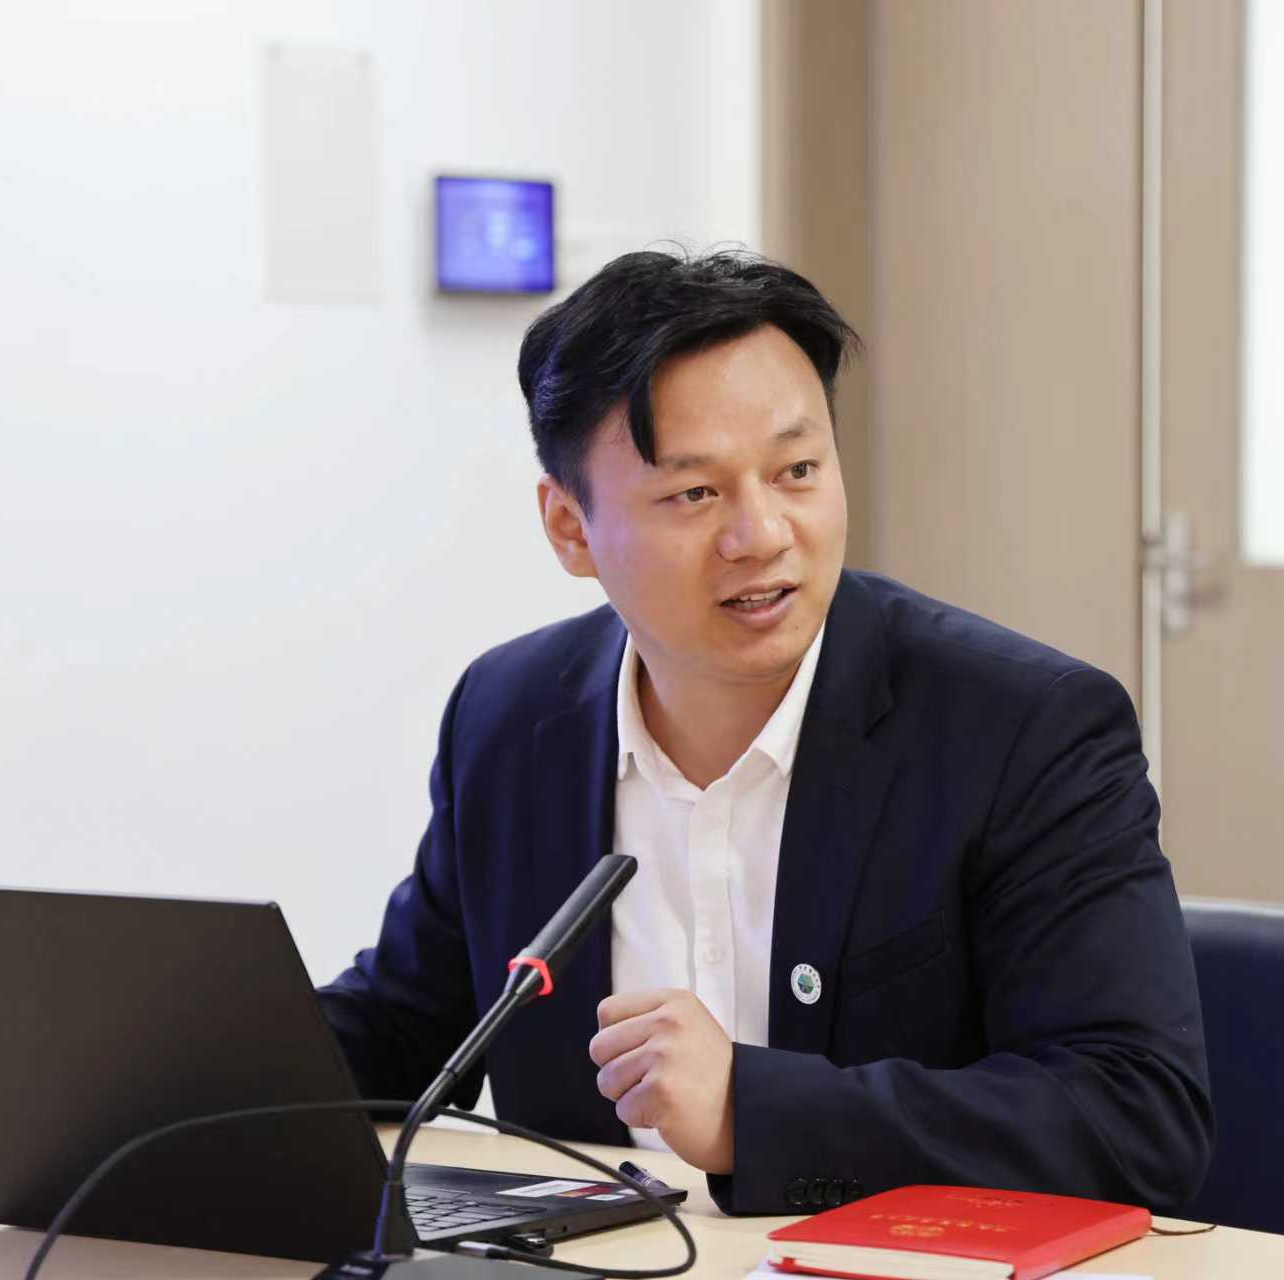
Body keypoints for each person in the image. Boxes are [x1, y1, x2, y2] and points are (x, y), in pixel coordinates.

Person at [318, 249, 1213, 1215]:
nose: (763, 535)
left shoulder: (1021, 728)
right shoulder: (511, 717)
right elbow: (405, 1030)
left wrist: (753, 1112)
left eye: (797, 471)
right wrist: (207, 1055)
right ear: (570, 528)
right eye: (694, 494)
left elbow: (1136, 1117)